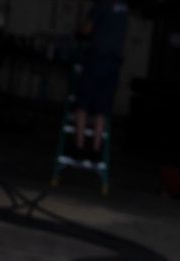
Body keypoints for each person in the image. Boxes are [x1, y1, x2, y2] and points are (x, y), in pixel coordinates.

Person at [70, 0, 130, 160]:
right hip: (114, 62)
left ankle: (79, 146)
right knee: (102, 108)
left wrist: (78, 31)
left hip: (97, 58)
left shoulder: (102, 3)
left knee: (82, 103)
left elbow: (87, 29)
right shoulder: (124, 7)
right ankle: (97, 149)